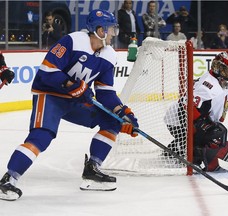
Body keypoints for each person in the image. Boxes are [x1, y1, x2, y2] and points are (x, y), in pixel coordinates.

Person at [0, 9, 139, 201]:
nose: (114, 33)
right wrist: (71, 84)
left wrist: (122, 112)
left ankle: (92, 169)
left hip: (75, 100)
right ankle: (9, 179)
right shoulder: (72, 41)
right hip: (50, 95)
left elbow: (106, 93)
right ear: (99, 30)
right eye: (110, 29)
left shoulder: (108, 56)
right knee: (41, 136)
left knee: (112, 121)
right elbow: (47, 71)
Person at [163, 51, 228, 171]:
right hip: (178, 119)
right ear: (217, 67)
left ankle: (176, 149)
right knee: (214, 133)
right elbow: (186, 110)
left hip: (194, 115)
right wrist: (197, 146)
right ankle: (186, 150)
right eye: (225, 70)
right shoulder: (207, 86)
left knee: (216, 132)